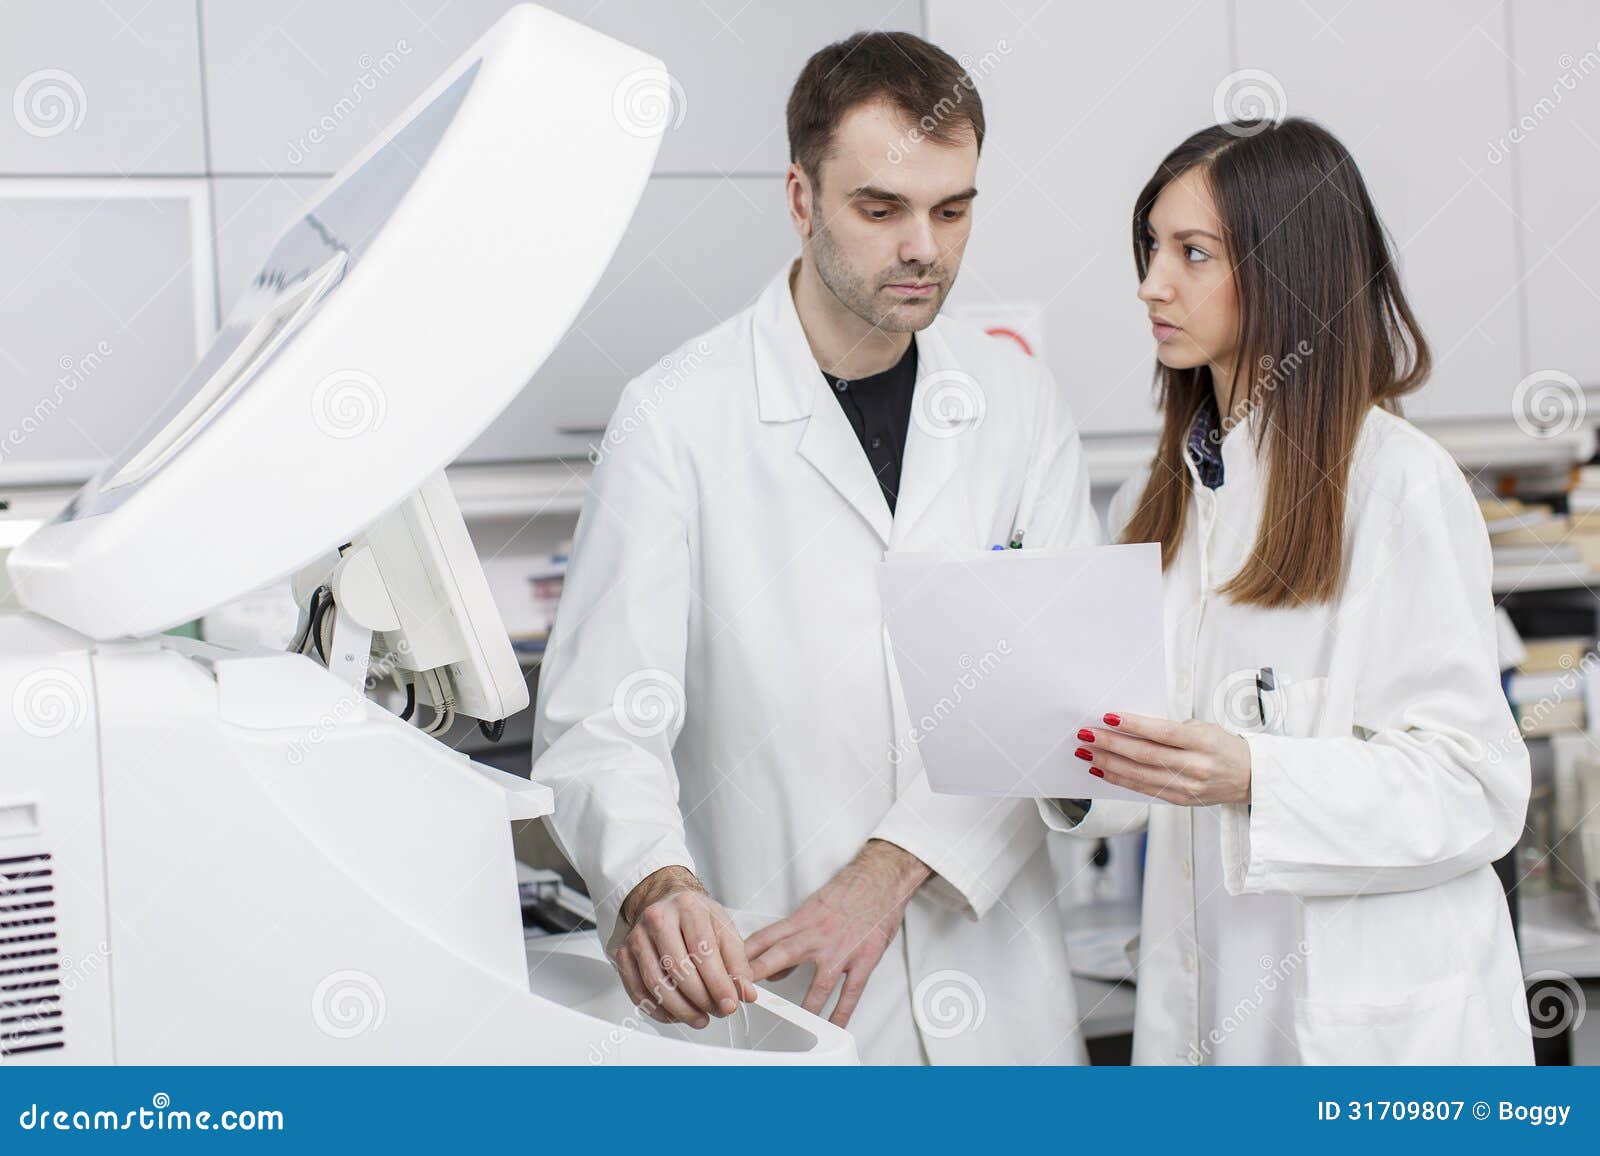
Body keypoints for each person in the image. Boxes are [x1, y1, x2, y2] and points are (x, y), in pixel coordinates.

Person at [532, 31, 1100, 1063]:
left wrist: (885, 870)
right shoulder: (674, 418)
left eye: (952, 208)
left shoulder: (1015, 404)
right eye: (880, 209)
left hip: (1002, 1008)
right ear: (802, 200)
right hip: (786, 997)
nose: (922, 245)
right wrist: (655, 881)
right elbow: (600, 726)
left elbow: (1058, 698)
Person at [1045, 118, 1533, 1064]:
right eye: (1151, 246)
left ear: (1288, 270)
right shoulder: (1169, 502)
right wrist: (1061, 762)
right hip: (1209, 1014)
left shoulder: (1399, 486)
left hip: (1371, 1040)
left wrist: (1258, 773)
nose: (1152, 282)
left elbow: (1477, 786)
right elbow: (1155, 764)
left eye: (1193, 253)